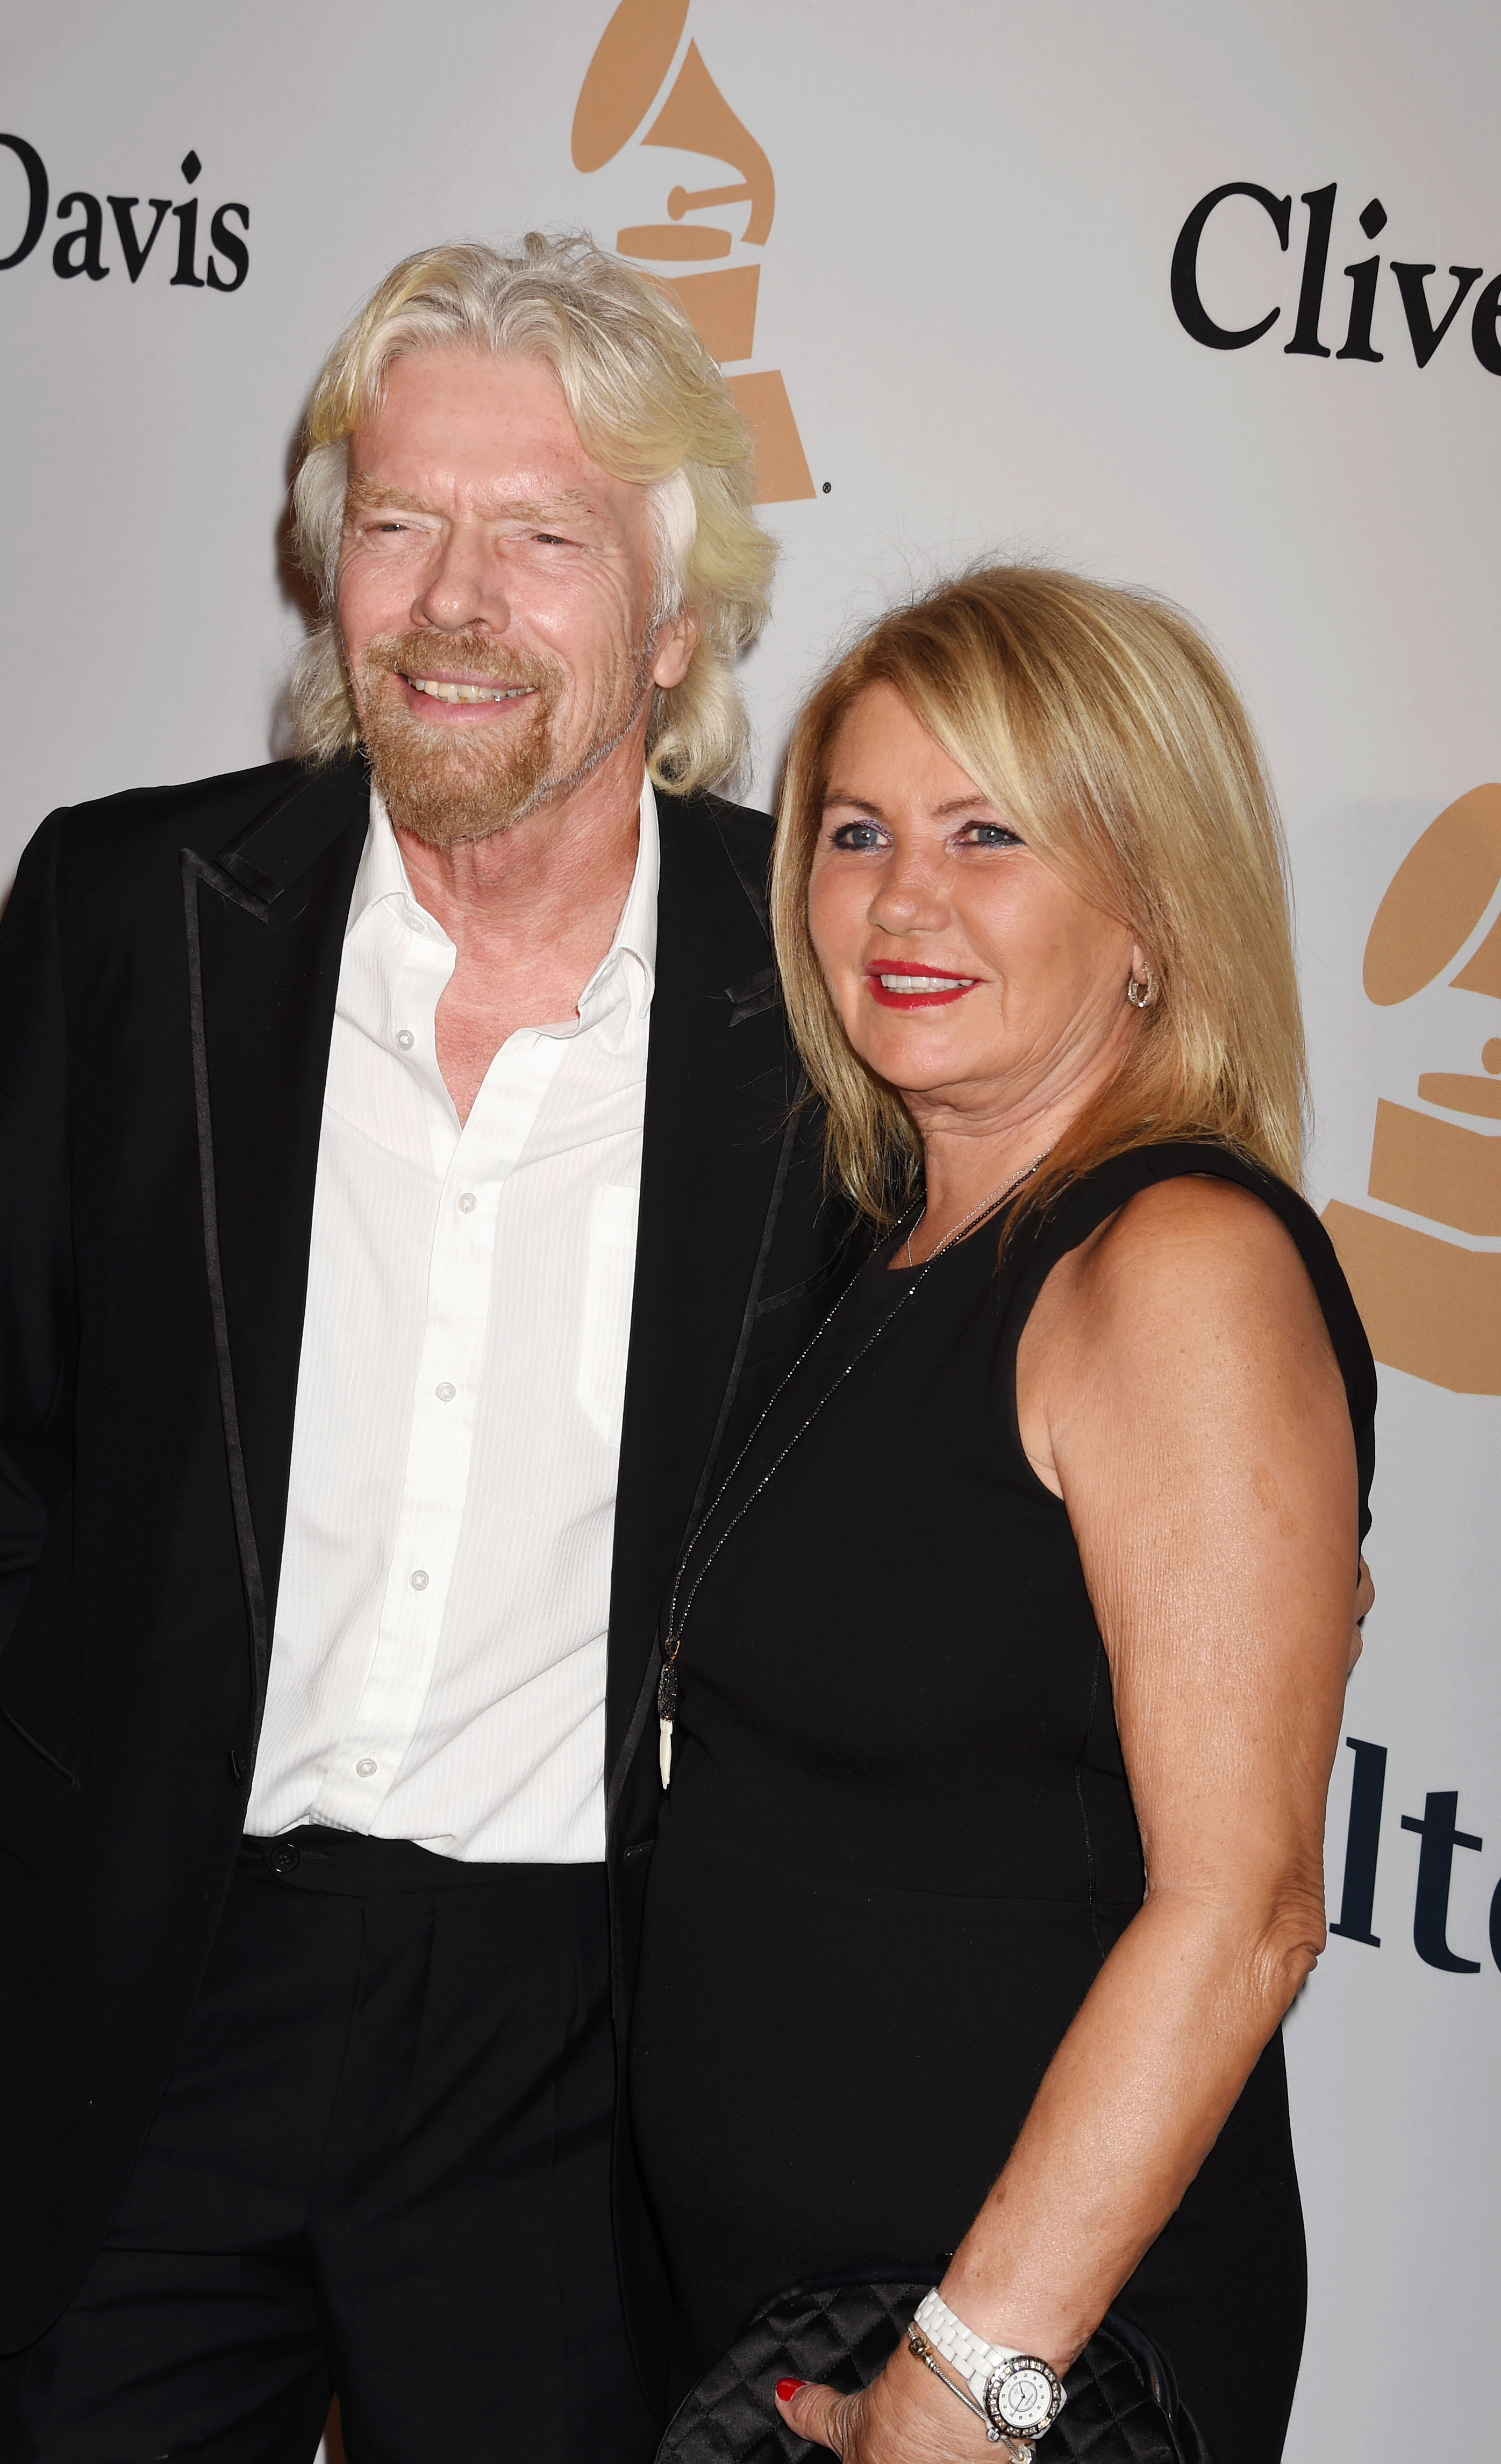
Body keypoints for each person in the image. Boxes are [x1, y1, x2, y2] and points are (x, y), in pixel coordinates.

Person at [0, 232, 858, 2463]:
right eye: (401, 523)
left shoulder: (810, 1001)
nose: (453, 604)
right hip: (144, 1983)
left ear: (676, 621)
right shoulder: (132, 916)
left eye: (542, 539)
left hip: (580, 2060)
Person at [629, 567, 1376, 2464]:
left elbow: (1248, 1911)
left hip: (1017, 2379)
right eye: (859, 831)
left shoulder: (1177, 1263)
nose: (902, 901)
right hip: (793, 2344)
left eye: (990, 836)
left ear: (1151, 910)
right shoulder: (883, 1249)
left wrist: (970, 2388)